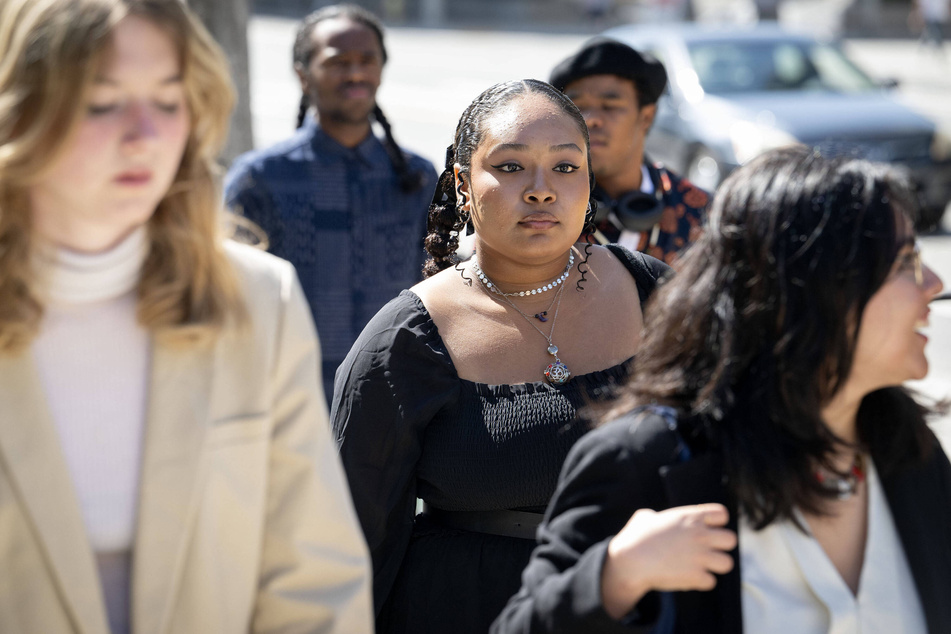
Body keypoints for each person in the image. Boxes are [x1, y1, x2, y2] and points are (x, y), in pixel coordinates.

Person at [0, 1, 373, 632]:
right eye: (102, 102)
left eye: (169, 103)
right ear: (23, 109)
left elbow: (315, 585)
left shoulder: (259, 301)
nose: (145, 135)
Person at [492, 145, 951, 633]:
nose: (935, 283)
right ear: (812, 288)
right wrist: (615, 576)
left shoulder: (909, 456)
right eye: (905, 263)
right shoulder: (650, 459)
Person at [330, 79, 671, 634]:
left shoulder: (655, 294)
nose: (541, 190)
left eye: (565, 167)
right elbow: (351, 543)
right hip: (470, 610)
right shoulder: (405, 343)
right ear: (464, 185)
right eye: (510, 167)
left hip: (644, 608)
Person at [225, 4, 437, 403]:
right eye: (339, 62)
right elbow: (231, 300)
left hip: (396, 397)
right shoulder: (259, 179)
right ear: (303, 75)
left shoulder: (419, 178)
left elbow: (439, 292)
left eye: (366, 60)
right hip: (288, 396)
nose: (356, 73)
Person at [550, 37, 708, 264]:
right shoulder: (540, 207)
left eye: (610, 107)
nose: (590, 119)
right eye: (577, 107)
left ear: (646, 117)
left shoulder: (702, 213)